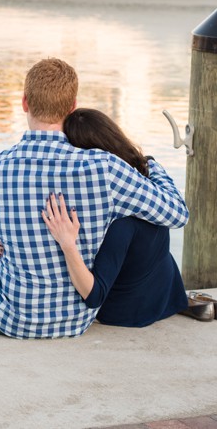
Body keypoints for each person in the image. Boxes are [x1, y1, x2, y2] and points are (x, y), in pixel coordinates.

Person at [0, 58, 189, 338]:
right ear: (72, 106)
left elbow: (12, 239)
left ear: (25, 102)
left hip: (11, 315)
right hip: (76, 318)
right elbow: (177, 214)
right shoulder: (104, 167)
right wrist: (150, 165)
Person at [41, 108, 188, 327]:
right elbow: (178, 211)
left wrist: (67, 244)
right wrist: (150, 163)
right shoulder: (148, 185)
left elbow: (94, 296)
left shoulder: (120, 223)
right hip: (169, 296)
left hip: (127, 313)